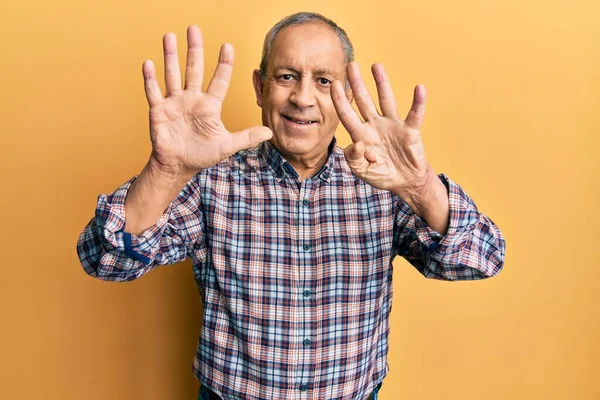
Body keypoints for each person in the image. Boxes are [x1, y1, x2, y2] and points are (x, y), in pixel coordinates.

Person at [77, 12, 505, 400]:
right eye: (285, 76)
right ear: (259, 88)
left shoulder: (384, 180)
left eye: (323, 81)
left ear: (346, 98)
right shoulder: (213, 179)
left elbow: (483, 258)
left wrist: (420, 185)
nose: (303, 97)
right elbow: (106, 260)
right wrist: (166, 172)